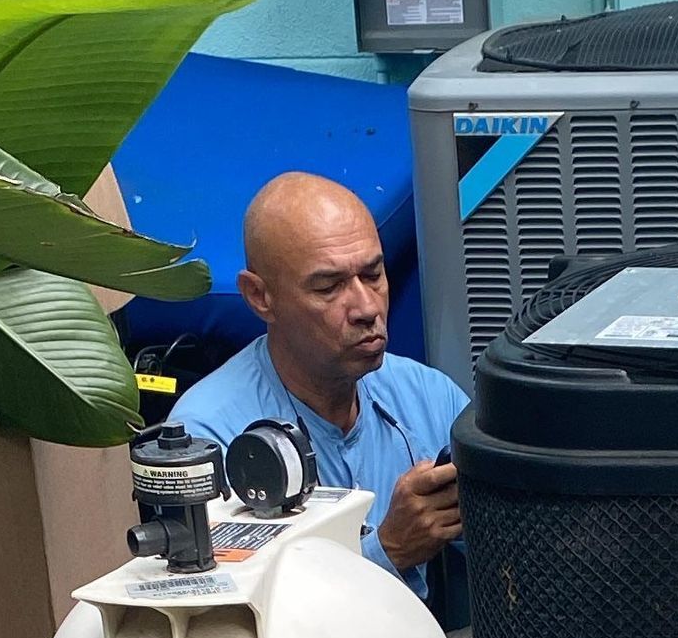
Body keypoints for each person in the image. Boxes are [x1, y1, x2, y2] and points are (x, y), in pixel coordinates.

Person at [176, 172, 467, 599]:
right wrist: (387, 550)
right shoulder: (209, 438)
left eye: (373, 275)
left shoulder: (428, 397)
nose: (367, 308)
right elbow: (226, 622)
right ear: (260, 297)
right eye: (329, 287)